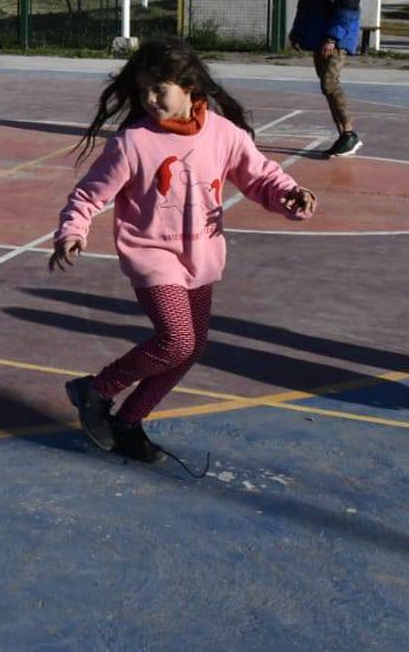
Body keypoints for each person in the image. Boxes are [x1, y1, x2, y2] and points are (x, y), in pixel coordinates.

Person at [51, 37, 315, 463]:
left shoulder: (224, 135)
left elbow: (262, 177)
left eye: (159, 88)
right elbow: (88, 195)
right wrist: (72, 230)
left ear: (188, 85)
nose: (149, 99)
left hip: (201, 256)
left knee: (192, 348)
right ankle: (96, 390)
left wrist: (290, 195)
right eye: (143, 91)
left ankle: (130, 421)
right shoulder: (133, 142)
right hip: (152, 252)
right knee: (176, 340)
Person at [289, 0, 363, 158]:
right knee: (326, 85)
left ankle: (349, 134)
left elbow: (348, 4)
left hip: (337, 35)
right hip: (318, 33)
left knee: (330, 82)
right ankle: (344, 134)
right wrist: (297, 31)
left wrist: (333, 37)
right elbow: (306, 1)